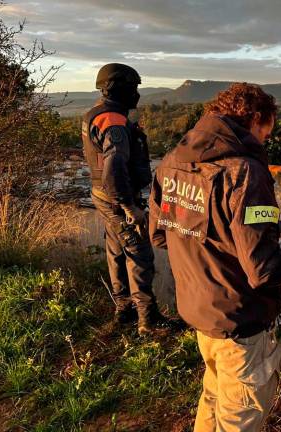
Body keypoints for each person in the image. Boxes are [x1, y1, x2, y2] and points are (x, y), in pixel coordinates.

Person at [148, 83, 281, 432]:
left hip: (200, 313)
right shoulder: (244, 172)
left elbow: (159, 233)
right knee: (240, 415)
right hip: (241, 321)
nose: (265, 142)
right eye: (266, 132)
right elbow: (262, 269)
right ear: (255, 119)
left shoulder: (173, 162)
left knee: (213, 399)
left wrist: (212, 247)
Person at [82, 63, 163, 335]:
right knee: (139, 253)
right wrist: (130, 207)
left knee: (117, 251)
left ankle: (124, 311)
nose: (137, 93)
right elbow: (115, 165)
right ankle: (147, 321)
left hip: (104, 195)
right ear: (120, 87)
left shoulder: (95, 114)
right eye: (134, 87)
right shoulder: (114, 121)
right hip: (118, 198)